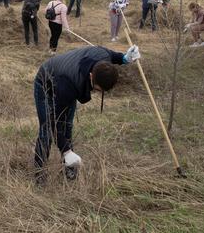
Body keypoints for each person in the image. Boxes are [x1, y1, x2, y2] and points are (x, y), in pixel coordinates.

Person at [33, 44, 140, 183]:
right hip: (46, 82)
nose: (97, 92)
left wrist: (125, 58)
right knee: (47, 129)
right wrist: (66, 150)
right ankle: (39, 175)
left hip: (66, 80)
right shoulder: (70, 85)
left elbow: (113, 57)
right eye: (96, 89)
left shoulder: (103, 56)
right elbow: (53, 121)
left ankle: (69, 169)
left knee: (67, 127)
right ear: (90, 76)